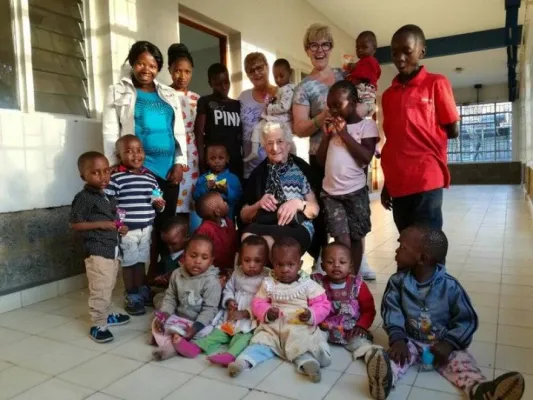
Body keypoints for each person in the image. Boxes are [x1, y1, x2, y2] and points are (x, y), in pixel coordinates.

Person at [367, 226, 525, 400]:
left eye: (402, 247)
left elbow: (467, 321)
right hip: (409, 340)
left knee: (462, 364)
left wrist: (449, 343)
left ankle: (483, 391)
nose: (396, 250)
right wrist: (397, 339)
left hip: (441, 343)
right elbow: (391, 310)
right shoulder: (397, 282)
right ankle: (383, 381)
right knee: (394, 358)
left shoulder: (451, 287)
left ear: (422, 258)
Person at [292, 24, 375, 279]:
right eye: (313, 45)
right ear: (307, 50)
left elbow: (365, 104)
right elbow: (299, 127)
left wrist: (354, 118)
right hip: (322, 155)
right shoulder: (303, 87)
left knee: (356, 213)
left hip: (353, 152)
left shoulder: (345, 75)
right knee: (326, 214)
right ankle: (323, 260)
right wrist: (324, 116)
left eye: (325, 44)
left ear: (331, 47)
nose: (320, 50)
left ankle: (359, 261)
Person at [102, 40, 187, 281]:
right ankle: (143, 278)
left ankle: (163, 273)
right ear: (132, 63)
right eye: (141, 63)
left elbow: (178, 131)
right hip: (138, 171)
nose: (146, 69)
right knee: (141, 225)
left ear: (158, 68)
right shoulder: (118, 91)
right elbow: (110, 131)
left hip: (167, 170)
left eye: (152, 65)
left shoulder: (168, 93)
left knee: (165, 224)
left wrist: (179, 162)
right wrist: (114, 166)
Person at [380, 25, 460, 234]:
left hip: (426, 179)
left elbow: (453, 129)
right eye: (394, 53)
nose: (400, 58)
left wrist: (425, 139)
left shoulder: (436, 83)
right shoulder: (388, 95)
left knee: (428, 243)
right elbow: (394, 141)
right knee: (406, 242)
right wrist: (388, 183)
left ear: (422, 52)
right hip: (398, 182)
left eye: (407, 51)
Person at [228, 237, 331, 383]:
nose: (285, 269)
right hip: (273, 327)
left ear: (300, 264)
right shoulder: (269, 283)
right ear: (273, 264)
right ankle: (242, 362)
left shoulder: (308, 285)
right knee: (260, 342)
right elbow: (258, 302)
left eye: (290, 264)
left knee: (302, 344)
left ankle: (309, 363)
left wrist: (311, 314)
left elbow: (323, 305)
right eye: (279, 264)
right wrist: (267, 312)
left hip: (298, 326)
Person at [316, 81, 378, 274]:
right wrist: (326, 137)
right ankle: (342, 278)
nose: (333, 110)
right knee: (341, 239)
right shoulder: (332, 129)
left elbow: (365, 158)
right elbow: (320, 161)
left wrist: (344, 134)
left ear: (353, 101)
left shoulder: (366, 126)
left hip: (355, 192)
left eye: (338, 105)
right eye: (330, 106)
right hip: (331, 194)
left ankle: (354, 278)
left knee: (356, 237)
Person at [70, 152, 130, 343]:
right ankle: (98, 324)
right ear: (83, 176)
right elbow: (75, 224)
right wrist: (102, 225)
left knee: (108, 285)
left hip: (112, 249)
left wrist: (119, 228)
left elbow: (112, 220)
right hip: (97, 251)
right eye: (96, 173)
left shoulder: (106, 196)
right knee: (100, 288)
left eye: (106, 171)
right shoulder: (84, 198)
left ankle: (107, 314)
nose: (103, 176)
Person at [188, 236, 271, 367]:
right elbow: (229, 288)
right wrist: (229, 300)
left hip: (250, 319)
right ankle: (197, 347)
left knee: (243, 338)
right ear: (240, 259)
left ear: (265, 261)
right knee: (218, 333)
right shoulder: (237, 272)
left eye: (257, 261)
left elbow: (265, 301)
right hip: (232, 315)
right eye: (247, 260)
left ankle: (230, 355)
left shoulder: (267, 277)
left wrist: (245, 313)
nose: (252, 265)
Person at [105, 135, 165, 315]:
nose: (136, 155)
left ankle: (140, 289)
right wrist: (117, 224)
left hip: (146, 229)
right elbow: (108, 204)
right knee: (129, 263)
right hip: (127, 231)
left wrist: (159, 205)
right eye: (129, 151)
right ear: (119, 156)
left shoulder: (150, 177)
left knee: (140, 261)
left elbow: (157, 200)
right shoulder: (116, 178)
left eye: (139, 150)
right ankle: (131, 294)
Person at [240, 122, 320, 252]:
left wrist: (298, 204)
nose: (275, 148)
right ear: (264, 147)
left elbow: (315, 209)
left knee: (270, 244)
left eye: (280, 141)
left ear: (288, 144)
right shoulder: (258, 174)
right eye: (269, 143)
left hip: (295, 226)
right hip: (266, 223)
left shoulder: (301, 170)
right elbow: (244, 215)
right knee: (248, 238)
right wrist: (259, 204)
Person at [151, 235, 222, 361]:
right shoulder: (177, 274)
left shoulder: (211, 282)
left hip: (198, 323)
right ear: (184, 256)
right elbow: (171, 298)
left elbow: (209, 310)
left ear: (211, 261)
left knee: (206, 332)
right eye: (193, 256)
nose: (198, 261)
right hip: (179, 317)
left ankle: (171, 347)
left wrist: (194, 328)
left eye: (204, 258)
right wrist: (165, 315)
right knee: (157, 320)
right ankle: (173, 338)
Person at [312, 242, 378, 361]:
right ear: (322, 266)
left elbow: (368, 309)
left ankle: (371, 355)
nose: (336, 265)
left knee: (360, 342)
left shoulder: (357, 285)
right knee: (315, 339)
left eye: (342, 262)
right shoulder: (318, 284)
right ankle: (320, 355)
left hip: (351, 328)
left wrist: (362, 325)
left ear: (350, 266)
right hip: (324, 327)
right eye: (330, 262)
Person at [168, 43, 201, 216]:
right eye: (178, 71)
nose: (182, 76)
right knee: (171, 196)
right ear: (170, 70)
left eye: (187, 71)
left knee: (190, 199)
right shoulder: (164, 95)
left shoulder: (196, 99)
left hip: (192, 153)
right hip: (171, 148)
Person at [195, 63, 243, 180]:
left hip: (235, 161)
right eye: (218, 84)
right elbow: (199, 132)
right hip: (214, 162)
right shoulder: (205, 101)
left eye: (226, 82)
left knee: (235, 190)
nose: (224, 87)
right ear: (210, 83)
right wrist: (201, 159)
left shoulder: (237, 104)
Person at [244, 58, 296, 162]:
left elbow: (284, 106)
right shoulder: (277, 89)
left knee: (285, 140)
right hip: (273, 118)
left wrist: (270, 107)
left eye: (281, 76)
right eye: (276, 77)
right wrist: (270, 100)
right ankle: (254, 152)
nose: (278, 80)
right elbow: (270, 101)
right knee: (257, 128)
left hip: (281, 120)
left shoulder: (289, 89)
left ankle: (293, 158)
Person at [239, 53, 278, 180]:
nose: (256, 73)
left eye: (259, 68)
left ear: (267, 67)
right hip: (250, 171)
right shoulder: (243, 97)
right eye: (251, 71)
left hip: (276, 167)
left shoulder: (280, 93)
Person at [194, 191, 237, 284]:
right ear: (217, 212)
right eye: (223, 202)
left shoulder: (228, 222)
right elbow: (196, 249)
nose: (226, 203)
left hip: (229, 269)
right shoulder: (205, 229)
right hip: (212, 273)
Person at [193, 142, 243, 220]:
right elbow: (195, 196)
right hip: (208, 219)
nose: (217, 161)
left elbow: (239, 197)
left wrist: (227, 191)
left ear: (227, 159)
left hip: (228, 218)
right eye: (212, 158)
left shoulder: (233, 178)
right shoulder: (203, 178)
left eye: (221, 158)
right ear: (207, 160)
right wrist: (206, 187)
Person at [345, 31, 381, 118]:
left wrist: (354, 70)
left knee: (360, 111)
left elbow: (366, 75)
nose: (360, 50)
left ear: (374, 49)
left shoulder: (371, 60)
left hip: (365, 91)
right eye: (357, 47)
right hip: (360, 92)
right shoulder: (361, 62)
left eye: (364, 47)